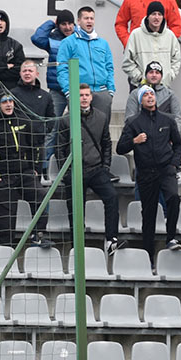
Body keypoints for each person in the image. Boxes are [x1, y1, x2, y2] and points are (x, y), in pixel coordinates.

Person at [56, 84, 126, 256]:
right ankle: (76, 245)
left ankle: (111, 239)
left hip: (96, 169)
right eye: (81, 95)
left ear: (91, 97)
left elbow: (106, 143)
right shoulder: (66, 120)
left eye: (87, 95)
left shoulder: (101, 117)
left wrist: (106, 167)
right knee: (75, 208)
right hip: (75, 171)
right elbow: (59, 148)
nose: (84, 98)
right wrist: (67, 172)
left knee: (112, 197)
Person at [117, 85, 181, 261]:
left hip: (166, 169)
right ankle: (149, 255)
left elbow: (179, 144)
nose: (149, 97)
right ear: (141, 100)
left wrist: (174, 164)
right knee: (149, 214)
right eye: (145, 95)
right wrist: (134, 140)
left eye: (151, 94)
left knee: (173, 198)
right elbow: (120, 148)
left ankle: (171, 237)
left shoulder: (167, 120)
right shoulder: (133, 122)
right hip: (146, 172)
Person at [0, 93, 54, 248]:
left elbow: (36, 147)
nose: (8, 104)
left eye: (10, 101)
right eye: (4, 102)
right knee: (5, 215)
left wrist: (35, 170)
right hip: (3, 176)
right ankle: (6, 247)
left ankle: (38, 235)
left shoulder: (25, 122)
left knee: (41, 195)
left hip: (25, 173)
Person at [57, 6, 116, 117]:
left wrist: (110, 90)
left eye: (91, 18)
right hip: (79, 93)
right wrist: (69, 92)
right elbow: (62, 69)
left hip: (101, 93)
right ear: (79, 21)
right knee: (79, 126)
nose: (89, 21)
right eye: (86, 18)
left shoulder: (103, 43)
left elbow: (109, 67)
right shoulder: (68, 42)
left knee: (101, 126)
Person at [122, 0, 181, 87]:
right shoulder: (136, 35)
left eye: (159, 14)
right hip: (140, 87)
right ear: (148, 16)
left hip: (163, 87)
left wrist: (168, 77)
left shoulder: (170, 36)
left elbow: (176, 60)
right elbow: (127, 62)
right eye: (153, 14)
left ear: (163, 17)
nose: (156, 17)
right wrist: (140, 78)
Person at [30, 8, 76, 116]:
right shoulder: (52, 40)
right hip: (57, 89)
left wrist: (77, 29)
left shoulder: (79, 39)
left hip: (75, 88)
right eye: (63, 24)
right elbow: (37, 38)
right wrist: (51, 23)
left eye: (70, 24)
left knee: (77, 123)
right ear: (58, 25)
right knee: (52, 122)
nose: (67, 27)